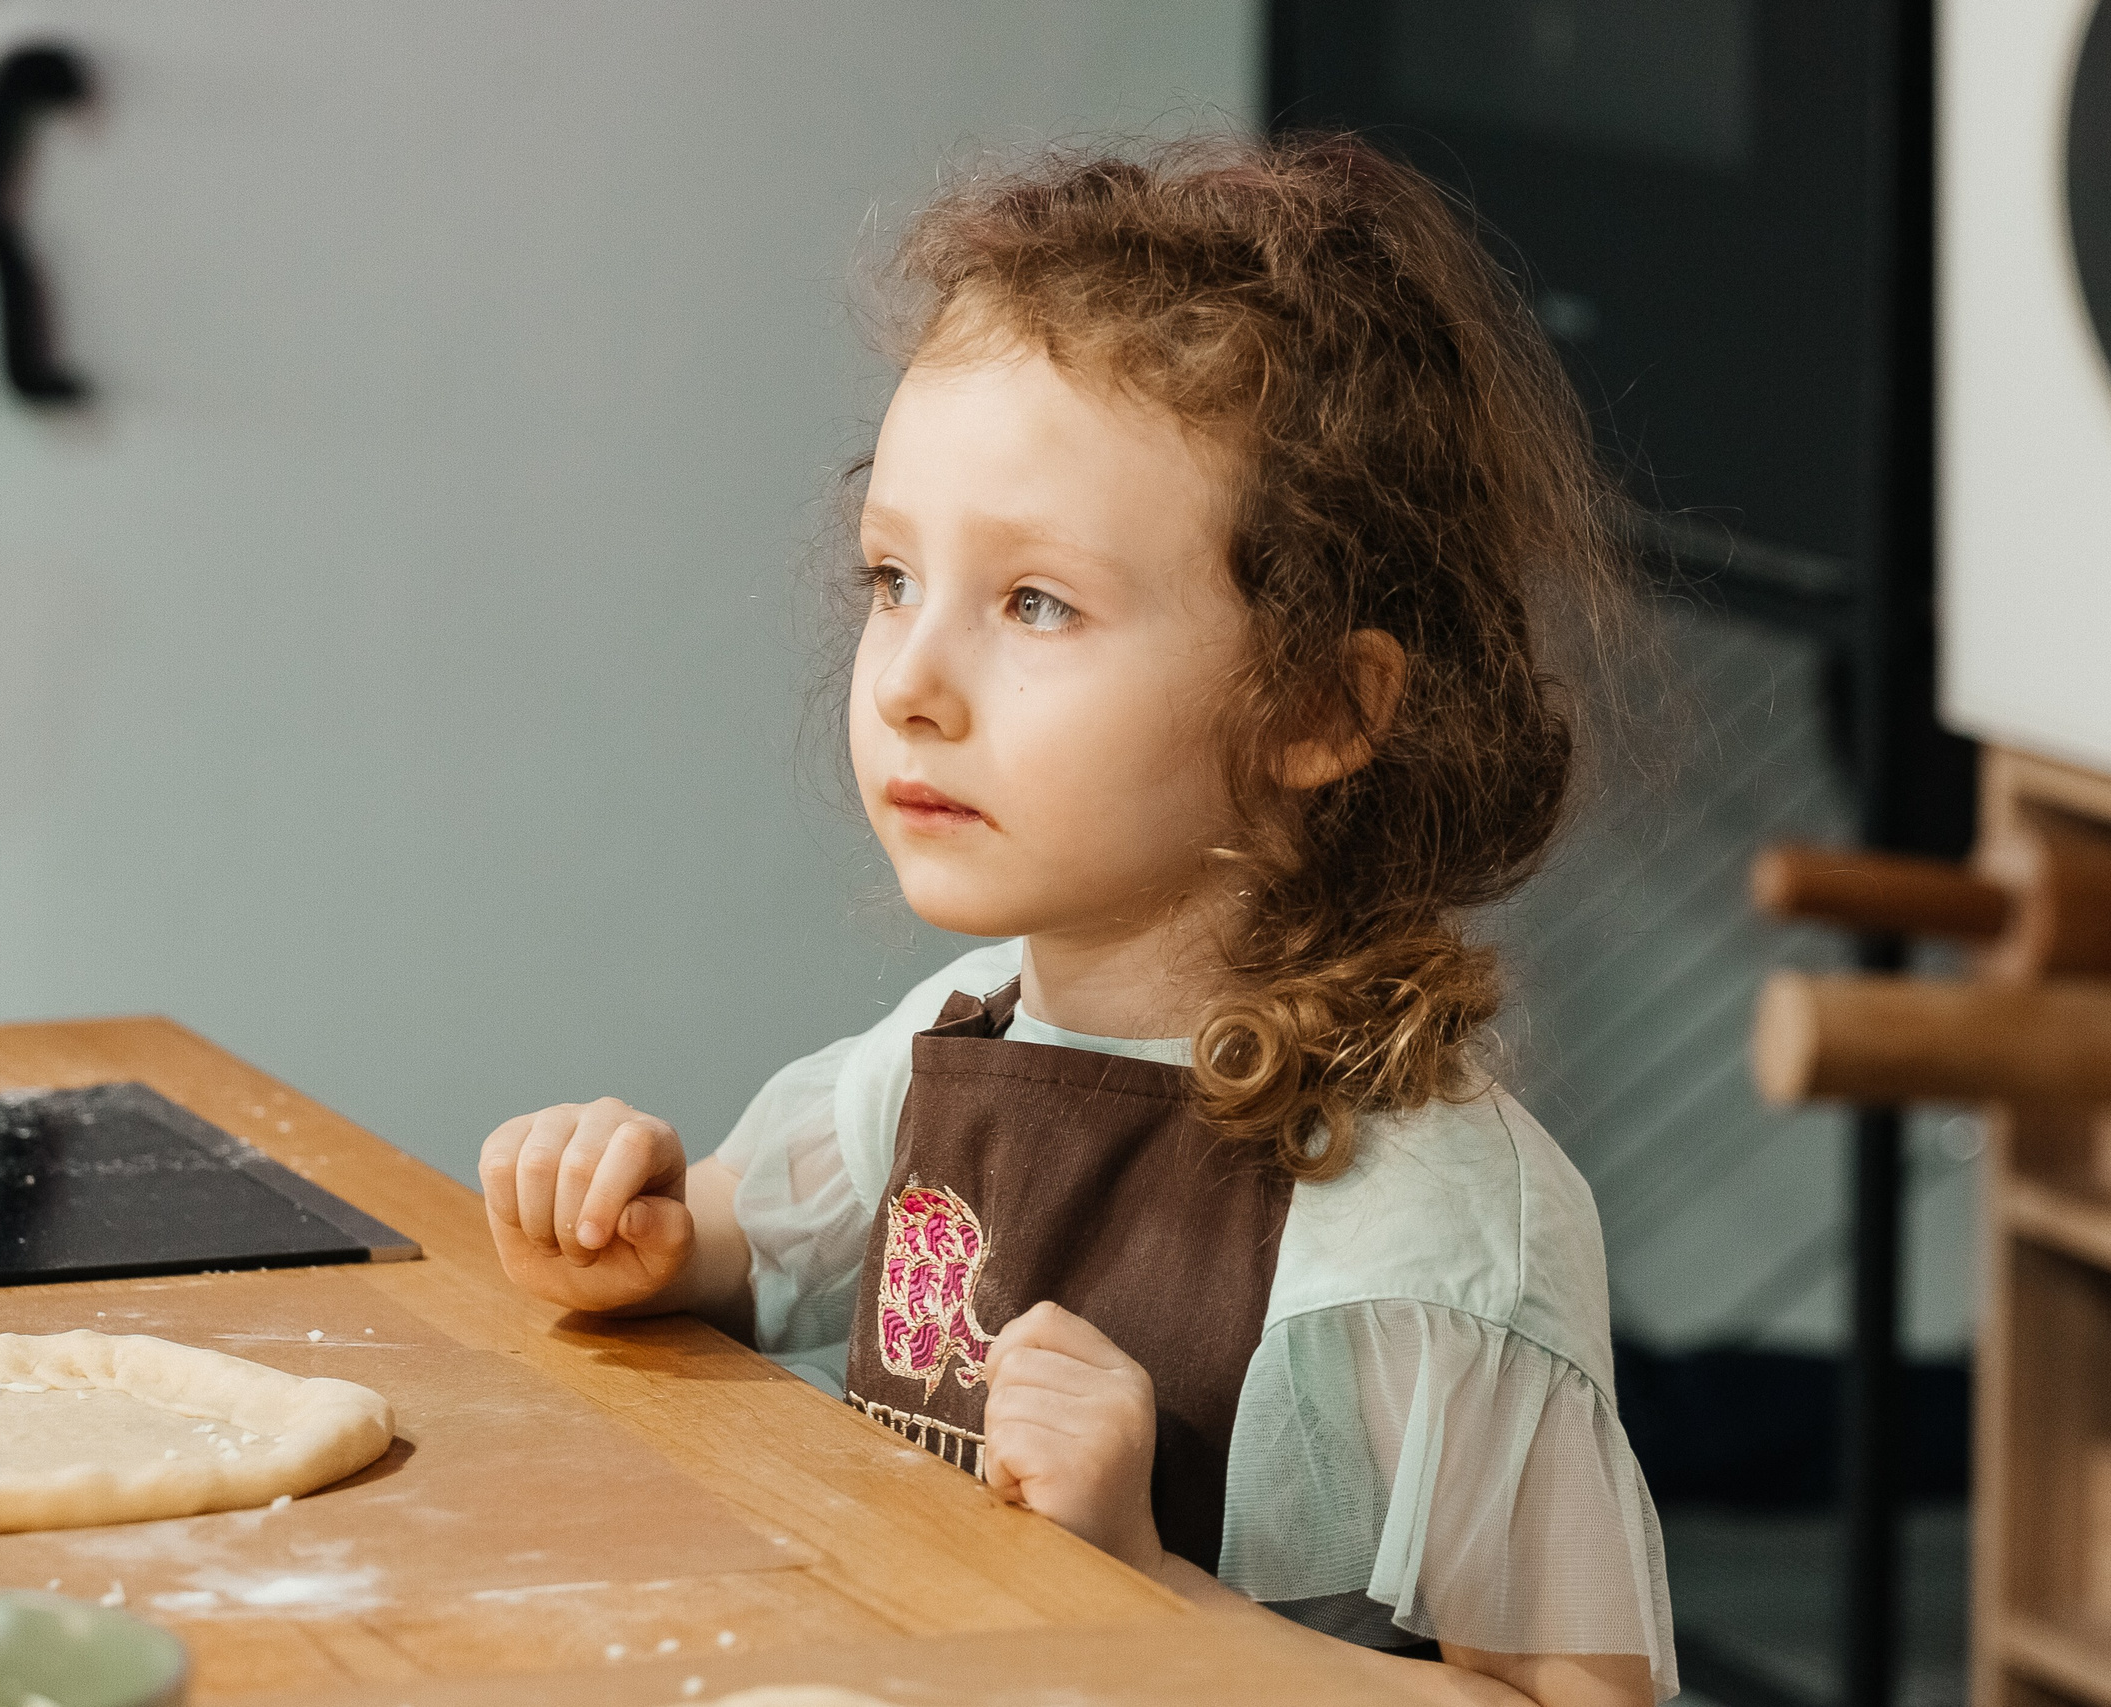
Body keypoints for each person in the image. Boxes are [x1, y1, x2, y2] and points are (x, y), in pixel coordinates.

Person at [478, 135, 1674, 1707]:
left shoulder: (1422, 1235)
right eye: (893, 577)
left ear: (1317, 705)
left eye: (1035, 603)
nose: (908, 678)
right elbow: (727, 1251)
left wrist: (1153, 1595)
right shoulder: (950, 1046)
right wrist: (624, 1231)